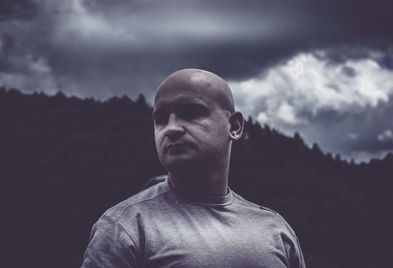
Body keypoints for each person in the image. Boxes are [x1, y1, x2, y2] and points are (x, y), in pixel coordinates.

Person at [81, 68, 306, 267]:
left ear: (235, 126)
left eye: (191, 113)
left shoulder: (275, 230)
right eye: (160, 119)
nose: (171, 129)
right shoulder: (126, 226)